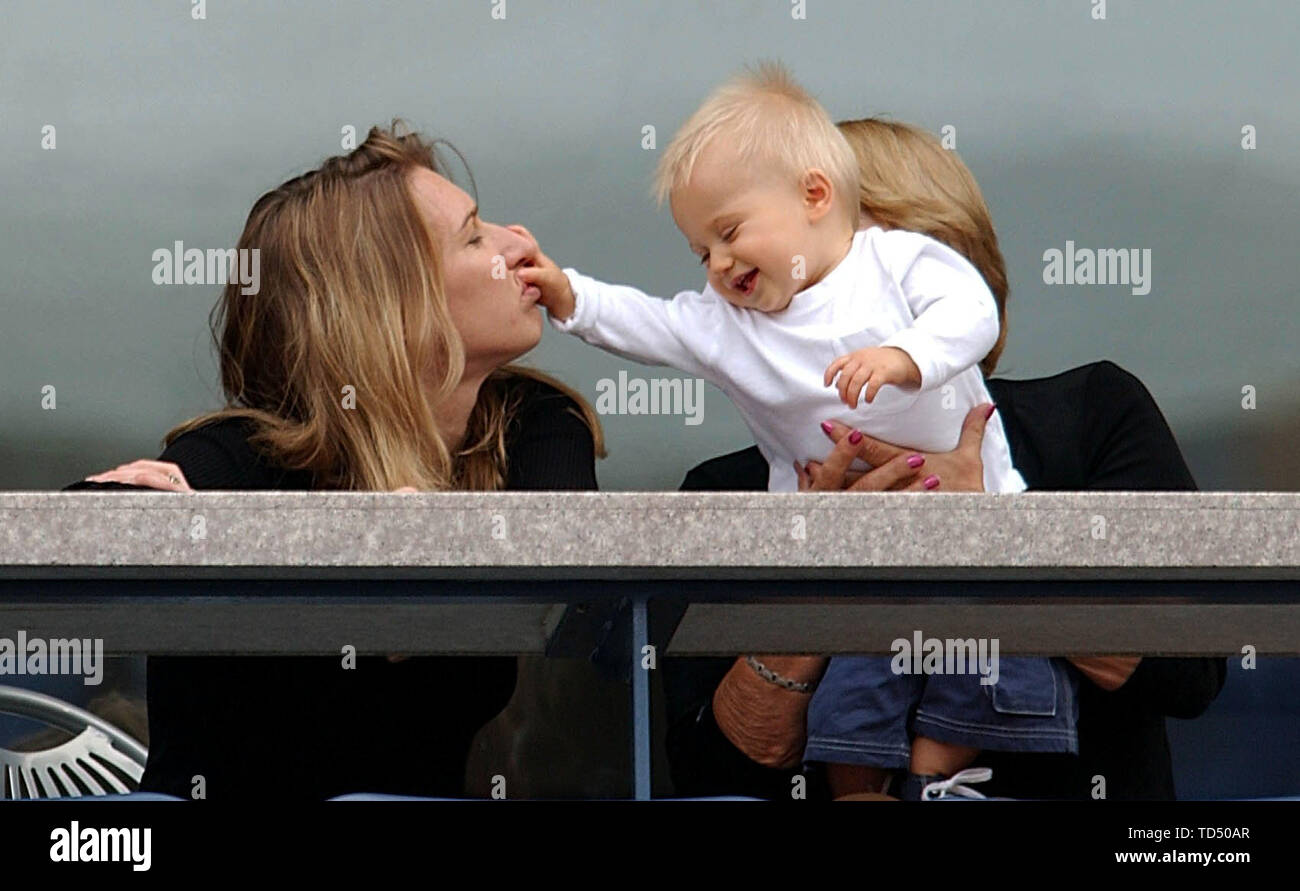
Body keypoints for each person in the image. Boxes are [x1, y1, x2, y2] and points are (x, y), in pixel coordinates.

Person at [521, 64, 1076, 798]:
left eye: (728, 232)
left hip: (976, 536)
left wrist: (905, 357)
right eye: (700, 251)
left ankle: (937, 779)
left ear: (815, 196)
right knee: (852, 685)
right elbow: (647, 322)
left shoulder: (893, 259)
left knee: (983, 665)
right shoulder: (728, 324)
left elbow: (969, 311)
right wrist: (569, 294)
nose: (717, 263)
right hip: (836, 563)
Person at [661, 118, 1227, 801]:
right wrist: (815, 582)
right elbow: (708, 772)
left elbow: (1191, 669)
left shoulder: (1091, 415)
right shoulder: (732, 489)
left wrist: (984, 532)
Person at [67, 122, 608, 799]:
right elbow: (72, 536)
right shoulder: (252, 452)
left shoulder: (525, 424)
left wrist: (424, 553)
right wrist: (345, 544)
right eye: (474, 236)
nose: (519, 241)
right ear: (393, 307)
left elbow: (561, 542)